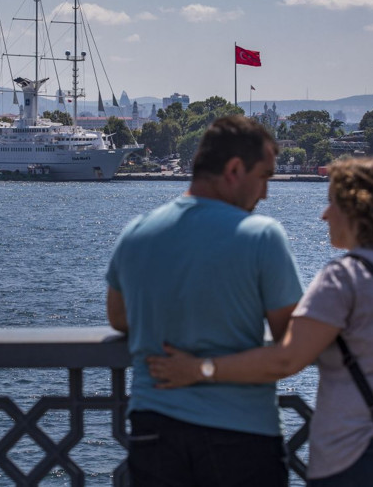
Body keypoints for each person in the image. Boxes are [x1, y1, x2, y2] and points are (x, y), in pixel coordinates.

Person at [147, 156, 373, 486]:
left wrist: (200, 369)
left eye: (332, 203)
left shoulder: (345, 277)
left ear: (357, 210)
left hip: (354, 458)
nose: (324, 214)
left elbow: (286, 358)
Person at [106, 115, 304, 486]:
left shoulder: (136, 233)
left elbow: (118, 317)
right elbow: (287, 351)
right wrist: (205, 367)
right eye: (263, 177)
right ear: (233, 169)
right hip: (240, 437)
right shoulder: (262, 236)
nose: (265, 194)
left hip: (153, 432)